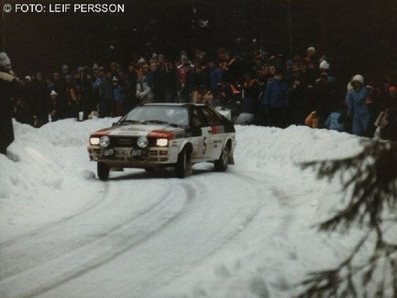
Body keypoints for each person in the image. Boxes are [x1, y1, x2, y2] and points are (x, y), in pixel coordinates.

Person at [0, 52, 19, 154]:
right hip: (5, 106)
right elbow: (17, 90)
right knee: (7, 134)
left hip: (4, 106)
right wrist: (14, 104)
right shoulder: (10, 78)